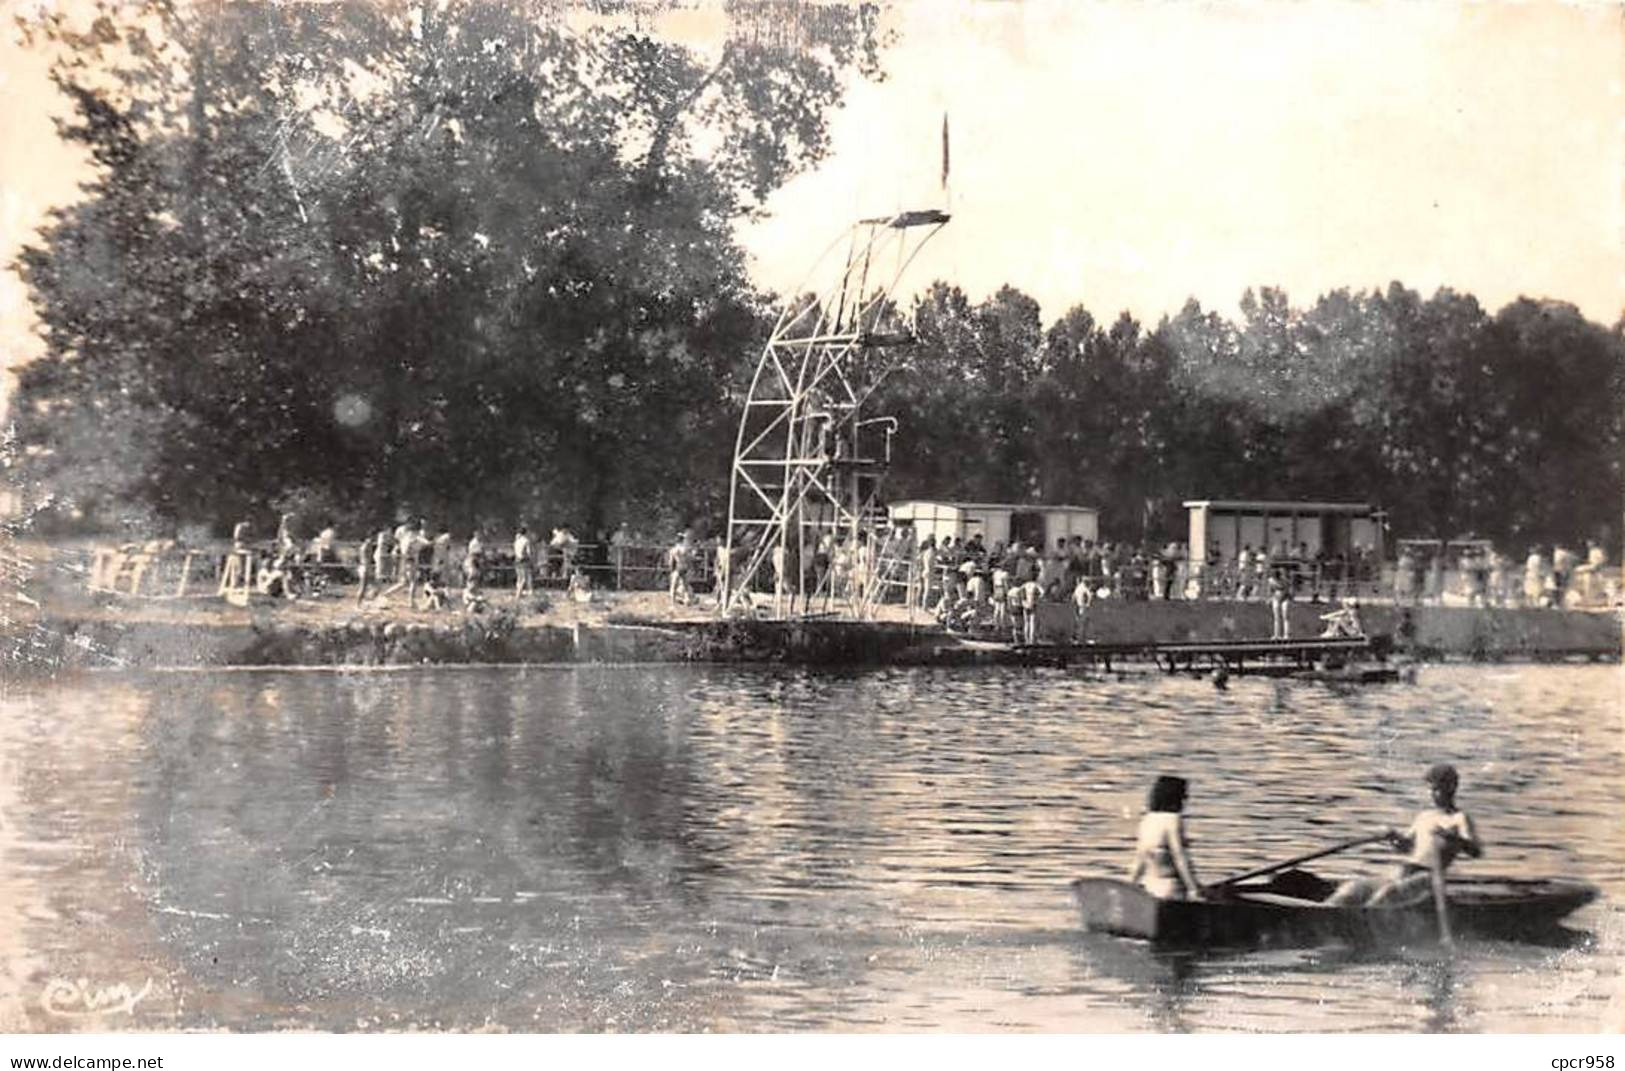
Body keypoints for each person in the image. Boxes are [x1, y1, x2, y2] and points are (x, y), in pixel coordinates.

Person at [1329, 763, 1483, 906]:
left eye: (1437, 789)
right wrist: (1393, 838)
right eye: (1430, 789)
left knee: (1386, 895)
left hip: (1430, 878)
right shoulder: (1424, 816)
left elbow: (1476, 851)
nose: (1433, 794)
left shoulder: (1459, 818)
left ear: (1452, 787)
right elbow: (1406, 848)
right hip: (1405, 871)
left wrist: (1453, 838)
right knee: (1351, 889)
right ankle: (1325, 911)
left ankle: (1359, 922)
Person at [1128, 775, 1206, 901]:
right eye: (1184, 796)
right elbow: (1180, 857)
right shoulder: (1173, 820)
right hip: (1171, 888)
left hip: (1150, 887)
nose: (1185, 800)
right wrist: (1194, 889)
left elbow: (1139, 859)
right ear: (1175, 798)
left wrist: (1130, 886)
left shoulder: (1147, 820)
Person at [513, 524, 534, 601]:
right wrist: (531, 560)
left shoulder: (516, 541)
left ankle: (519, 593)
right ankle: (518, 595)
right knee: (526, 578)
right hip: (524, 560)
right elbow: (529, 552)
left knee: (519, 578)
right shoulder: (526, 541)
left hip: (517, 559)